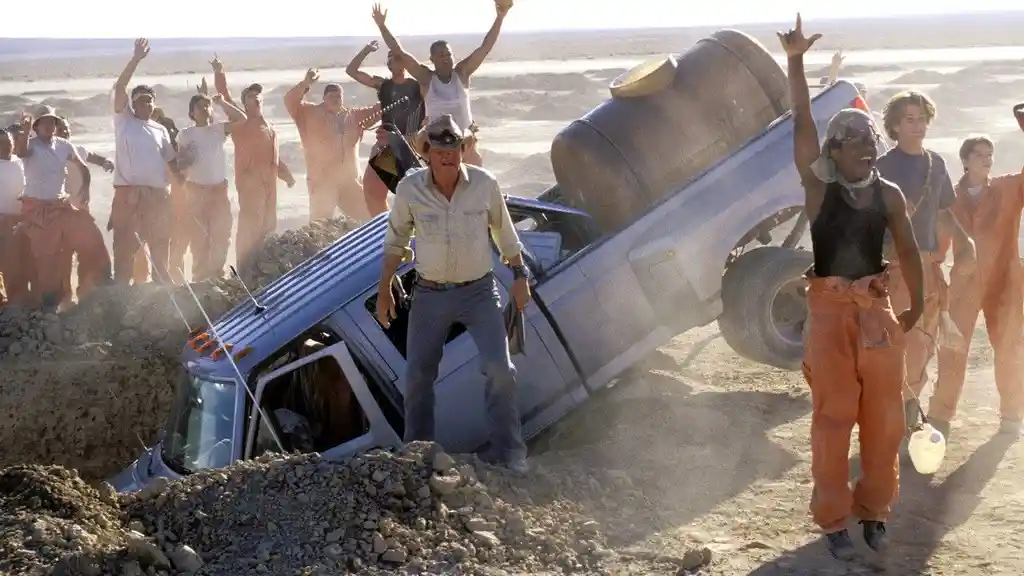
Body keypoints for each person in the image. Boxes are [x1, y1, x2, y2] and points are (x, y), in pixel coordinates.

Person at [779, 15, 924, 559]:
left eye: (870, 139)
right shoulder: (818, 190)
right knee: (833, 419)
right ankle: (835, 520)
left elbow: (908, 250)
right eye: (855, 140)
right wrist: (796, 62)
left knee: (885, 421)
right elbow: (801, 121)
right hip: (829, 313)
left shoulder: (888, 194)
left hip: (876, 311)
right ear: (834, 150)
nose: (867, 147)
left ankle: (875, 512)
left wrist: (918, 307)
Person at [376, 114, 531, 474]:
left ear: (462, 149)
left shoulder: (484, 184)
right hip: (429, 295)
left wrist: (520, 274)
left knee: (500, 369)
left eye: (454, 148)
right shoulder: (410, 189)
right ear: (427, 152)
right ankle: (418, 457)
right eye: (439, 149)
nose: (447, 155)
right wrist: (384, 289)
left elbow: (505, 234)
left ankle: (511, 453)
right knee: (418, 375)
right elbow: (395, 240)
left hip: (479, 292)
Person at [875, 90, 977, 438]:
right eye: (909, 120)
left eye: (922, 119)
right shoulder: (882, 168)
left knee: (924, 346)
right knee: (903, 345)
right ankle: (898, 421)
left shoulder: (936, 164)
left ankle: (905, 418)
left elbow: (944, 212)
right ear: (894, 126)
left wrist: (964, 241)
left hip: (930, 268)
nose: (918, 126)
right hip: (897, 269)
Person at [931, 135, 1024, 437]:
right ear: (965, 160)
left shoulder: (1008, 188)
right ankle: (940, 416)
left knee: (1010, 346)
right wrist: (934, 273)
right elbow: (939, 243)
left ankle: (1011, 415)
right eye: (979, 154)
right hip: (966, 281)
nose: (987, 160)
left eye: (990, 154)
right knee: (952, 347)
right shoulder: (950, 198)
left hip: (1005, 281)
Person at [372, 0, 511, 167]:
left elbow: (485, 48)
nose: (446, 58)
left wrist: (500, 17)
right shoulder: (427, 79)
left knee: (476, 180)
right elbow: (399, 52)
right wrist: (382, 26)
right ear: (432, 59)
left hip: (466, 147)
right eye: (441, 55)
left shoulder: (462, 74)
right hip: (438, 151)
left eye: (448, 54)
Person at [12, 107, 112, 311]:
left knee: (89, 231)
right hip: (38, 209)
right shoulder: (31, 145)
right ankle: (49, 304)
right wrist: (24, 131)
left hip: (61, 205)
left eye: (52, 122)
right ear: (36, 127)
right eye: (44, 123)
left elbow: (83, 166)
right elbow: (21, 152)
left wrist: (85, 189)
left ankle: (102, 280)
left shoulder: (64, 145)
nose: (49, 126)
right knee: (47, 256)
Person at [211, 55, 296, 273]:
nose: (256, 97)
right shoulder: (241, 123)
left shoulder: (269, 127)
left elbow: (273, 156)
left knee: (268, 225)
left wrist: (286, 175)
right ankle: (243, 268)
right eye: (250, 96)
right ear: (244, 103)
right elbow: (225, 96)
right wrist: (219, 72)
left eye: (258, 95)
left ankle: (260, 267)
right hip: (251, 184)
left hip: (269, 184)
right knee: (251, 225)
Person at [110, 38, 181, 285]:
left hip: (158, 197)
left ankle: (163, 292)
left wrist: (185, 177)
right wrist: (136, 59)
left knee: (160, 244)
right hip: (129, 197)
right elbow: (120, 87)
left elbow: (172, 162)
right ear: (132, 104)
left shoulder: (160, 130)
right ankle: (120, 292)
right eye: (140, 100)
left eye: (149, 100)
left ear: (154, 104)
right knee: (126, 247)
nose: (145, 104)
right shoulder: (124, 121)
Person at [284, 68, 381, 223]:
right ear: (323, 98)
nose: (335, 99)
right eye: (331, 96)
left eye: (338, 96)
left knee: (368, 219)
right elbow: (290, 101)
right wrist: (306, 83)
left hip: (349, 181)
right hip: (322, 181)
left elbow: (380, 110)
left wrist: (386, 89)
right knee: (320, 225)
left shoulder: (353, 115)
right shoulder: (309, 113)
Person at [346, 40, 425, 216]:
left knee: (416, 195)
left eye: (397, 57)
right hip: (387, 144)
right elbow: (351, 71)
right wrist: (366, 50)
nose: (394, 60)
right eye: (390, 58)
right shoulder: (384, 85)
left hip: (412, 146)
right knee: (372, 192)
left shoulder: (419, 85)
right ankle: (385, 226)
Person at [175, 91, 247, 281]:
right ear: (192, 113)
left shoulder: (218, 130)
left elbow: (242, 120)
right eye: (199, 106)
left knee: (221, 236)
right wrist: (187, 158)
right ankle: (200, 279)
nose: (205, 108)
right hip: (196, 192)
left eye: (207, 105)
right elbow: (179, 164)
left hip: (218, 191)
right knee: (199, 238)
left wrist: (222, 102)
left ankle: (217, 276)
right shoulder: (185, 134)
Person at [0, 127, 28, 306]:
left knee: (22, 260)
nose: (5, 146)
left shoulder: (22, 162)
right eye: (0, 143)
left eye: (8, 142)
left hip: (23, 220)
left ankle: (21, 299)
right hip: (2, 220)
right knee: (6, 262)